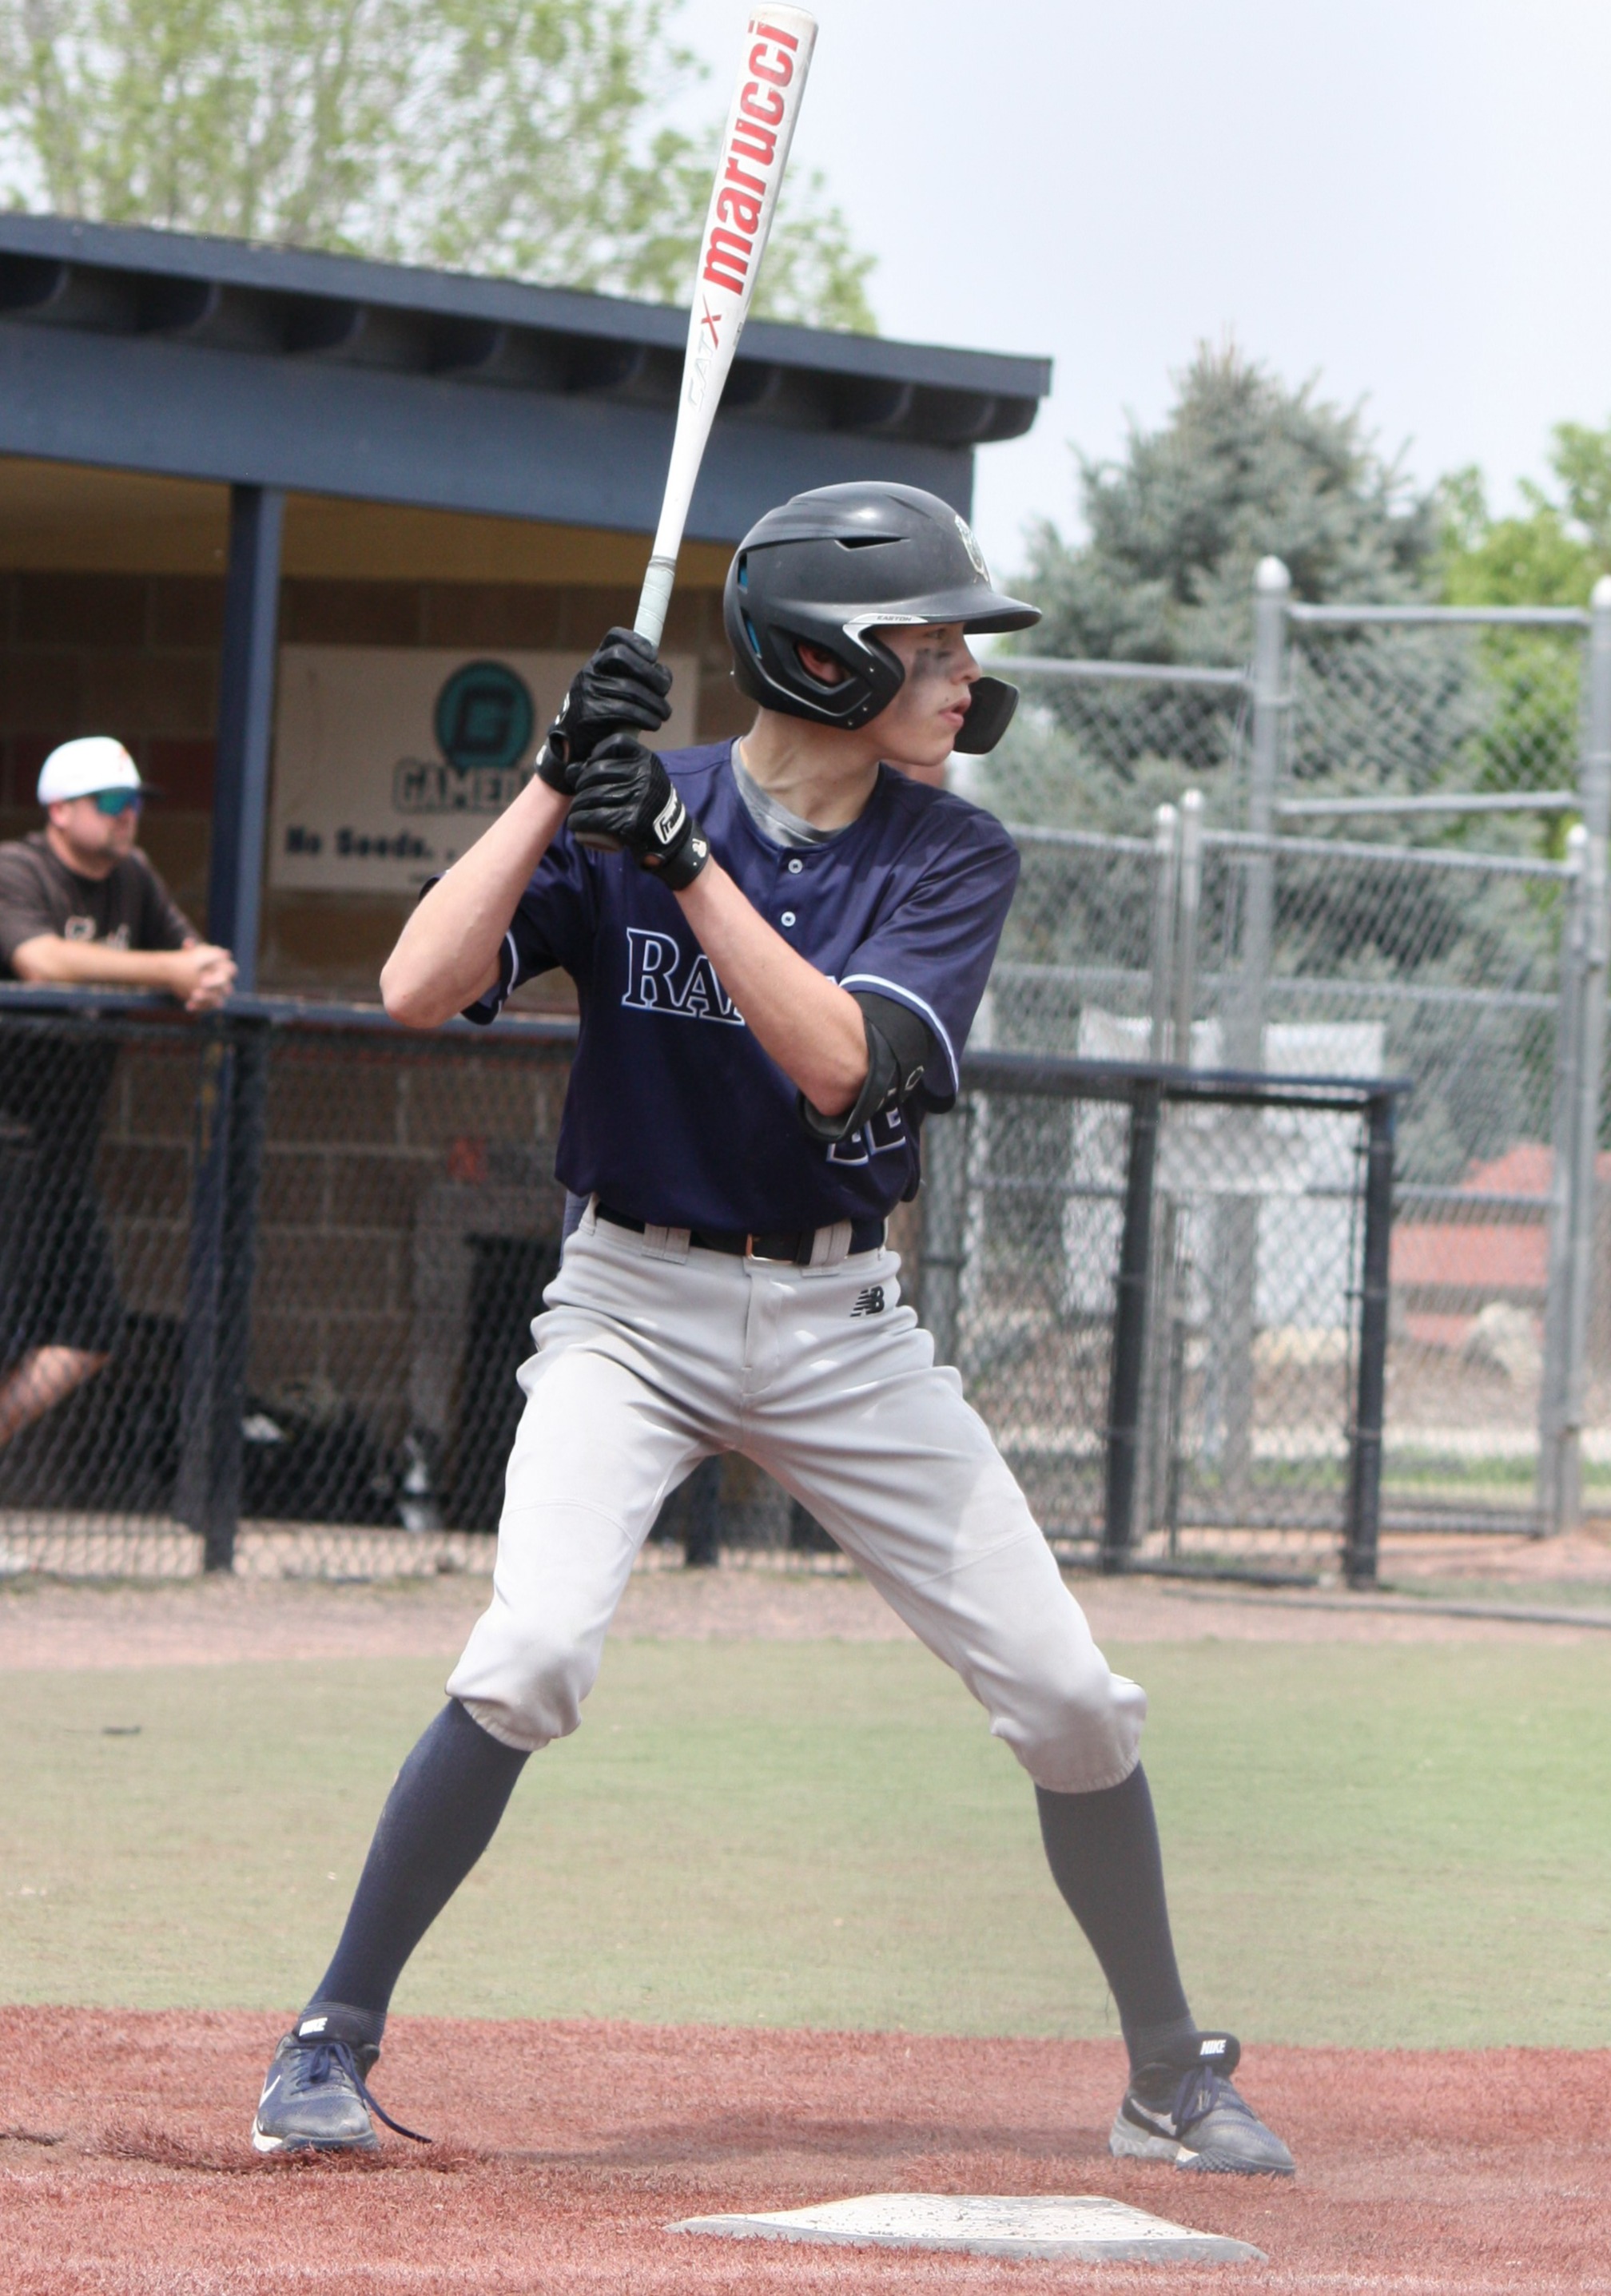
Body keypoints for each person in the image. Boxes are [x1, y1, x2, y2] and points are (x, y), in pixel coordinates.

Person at [249, 483, 1294, 2179]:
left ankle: (1169, 2072)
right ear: (821, 659)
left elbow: (836, 1062)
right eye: (929, 644)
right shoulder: (628, 809)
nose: (964, 675)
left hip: (839, 1322)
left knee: (1071, 1699)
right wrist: (552, 780)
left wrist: (682, 859)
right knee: (529, 1656)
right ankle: (326, 2040)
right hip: (631, 1307)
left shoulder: (947, 851)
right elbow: (414, 986)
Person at [0, 737, 235, 1448]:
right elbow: (41, 961)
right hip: (6, 1141)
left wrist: (199, 973)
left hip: (63, 1149)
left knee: (91, 1325)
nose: (127, 814)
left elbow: (192, 960)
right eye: (110, 801)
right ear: (59, 809)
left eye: (134, 802)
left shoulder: (134, 876)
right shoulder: (18, 870)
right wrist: (166, 971)